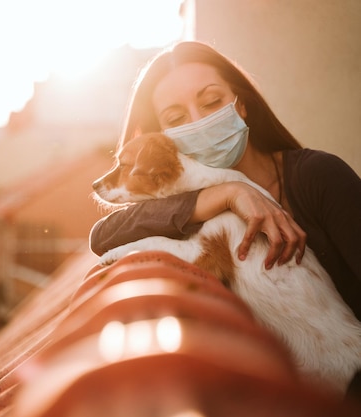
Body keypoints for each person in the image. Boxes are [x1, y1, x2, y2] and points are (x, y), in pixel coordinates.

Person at [90, 41, 361, 324]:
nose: (199, 120)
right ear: (161, 137)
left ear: (241, 104)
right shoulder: (178, 200)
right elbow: (103, 237)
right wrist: (227, 194)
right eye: (176, 118)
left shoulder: (319, 175)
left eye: (211, 102)